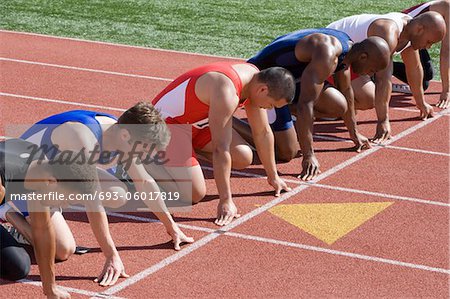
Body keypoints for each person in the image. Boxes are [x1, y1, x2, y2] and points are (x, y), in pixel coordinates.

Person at [147, 61, 295, 226]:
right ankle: (149, 161)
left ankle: (184, 154)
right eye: (271, 105)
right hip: (167, 125)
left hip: (197, 124)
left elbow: (262, 132)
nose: (268, 109)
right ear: (263, 90)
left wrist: (273, 177)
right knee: (194, 193)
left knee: (243, 156)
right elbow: (220, 148)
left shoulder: (255, 80)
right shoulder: (226, 91)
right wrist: (226, 200)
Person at [235, 28, 390, 180]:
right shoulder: (327, 54)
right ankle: (230, 122)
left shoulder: (347, 48)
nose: (369, 74)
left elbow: (346, 89)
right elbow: (305, 105)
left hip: (289, 81)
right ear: (363, 57)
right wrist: (309, 155)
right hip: (267, 82)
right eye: (372, 69)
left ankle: (283, 116)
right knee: (287, 152)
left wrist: (354, 133)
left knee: (339, 105)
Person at [0, 138, 100, 298]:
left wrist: (50, 287)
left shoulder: (40, 173)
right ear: (52, 182)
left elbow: (42, 230)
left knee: (18, 266)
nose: (65, 205)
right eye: (66, 199)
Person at [327, 11, 446, 143]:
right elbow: (383, 79)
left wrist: (421, 103)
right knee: (368, 98)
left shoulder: (410, 31)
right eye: (429, 41)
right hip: (332, 50)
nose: (428, 47)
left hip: (355, 59)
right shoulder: (388, 32)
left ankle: (333, 101)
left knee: (358, 102)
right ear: (419, 29)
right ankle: (322, 101)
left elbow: (414, 69)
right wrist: (383, 120)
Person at [394, 0, 449, 109]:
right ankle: (380, 68)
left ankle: (384, 69)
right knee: (425, 73)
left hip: (421, 35)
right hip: (407, 31)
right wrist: (446, 90)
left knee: (424, 83)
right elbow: (446, 51)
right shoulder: (449, 7)